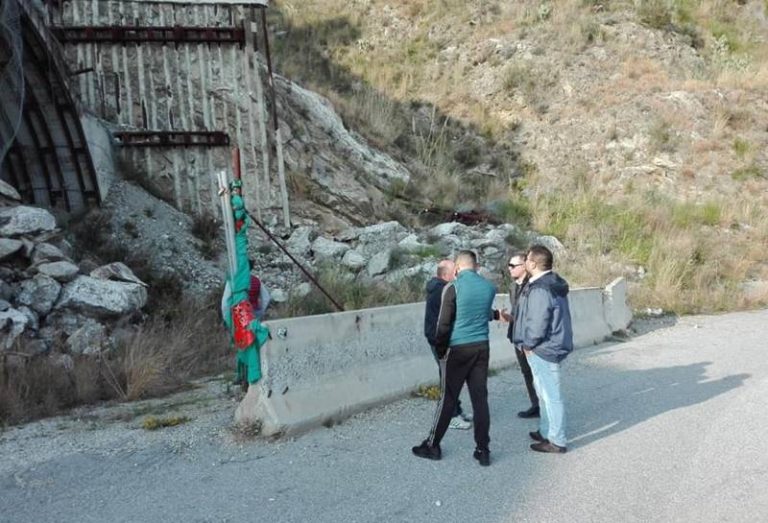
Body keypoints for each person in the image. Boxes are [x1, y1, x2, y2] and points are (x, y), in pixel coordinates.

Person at [412, 250, 497, 466]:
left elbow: (444, 324)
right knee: (480, 400)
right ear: (476, 266)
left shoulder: (453, 287)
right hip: (482, 347)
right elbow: (482, 315)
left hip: (458, 349)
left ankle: (432, 445)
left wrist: (441, 351)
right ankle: (483, 450)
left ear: (458, 268)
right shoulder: (489, 288)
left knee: (447, 398)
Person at [513, 244, 573, 454]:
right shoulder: (549, 283)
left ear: (533, 263)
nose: (525, 262)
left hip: (543, 348)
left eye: (527, 259)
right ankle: (546, 431)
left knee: (551, 395)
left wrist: (528, 344)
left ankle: (557, 440)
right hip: (547, 346)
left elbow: (538, 322)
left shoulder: (541, 288)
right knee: (544, 393)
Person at [424, 260, 471, 430]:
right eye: (455, 272)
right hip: (441, 342)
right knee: (449, 379)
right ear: (445, 275)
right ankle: (449, 416)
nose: (457, 274)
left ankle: (456, 411)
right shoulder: (442, 291)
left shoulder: (439, 288)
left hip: (441, 340)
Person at [500, 252, 540, 419]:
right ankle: (536, 405)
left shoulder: (533, 286)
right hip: (517, 335)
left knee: (537, 372)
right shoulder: (512, 286)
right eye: (509, 265)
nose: (510, 269)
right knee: (526, 371)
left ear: (525, 266)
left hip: (530, 337)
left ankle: (544, 406)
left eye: (513, 265)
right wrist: (509, 318)